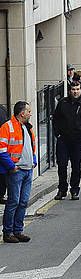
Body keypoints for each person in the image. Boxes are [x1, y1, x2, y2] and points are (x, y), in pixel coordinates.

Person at [52, 80, 81, 201]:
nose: (75, 92)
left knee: (76, 166)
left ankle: (75, 190)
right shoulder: (63, 103)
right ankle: (62, 189)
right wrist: (58, 134)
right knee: (62, 165)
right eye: (73, 90)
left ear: (80, 90)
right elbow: (55, 119)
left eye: (77, 89)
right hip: (63, 140)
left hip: (78, 140)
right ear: (69, 91)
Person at [0, 101, 36, 244]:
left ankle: (18, 230)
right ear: (22, 113)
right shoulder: (7, 127)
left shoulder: (27, 127)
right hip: (16, 170)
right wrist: (11, 166)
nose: (30, 113)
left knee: (23, 202)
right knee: (14, 201)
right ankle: (8, 232)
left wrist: (34, 161)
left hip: (27, 170)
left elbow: (31, 146)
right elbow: (1, 150)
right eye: (28, 111)